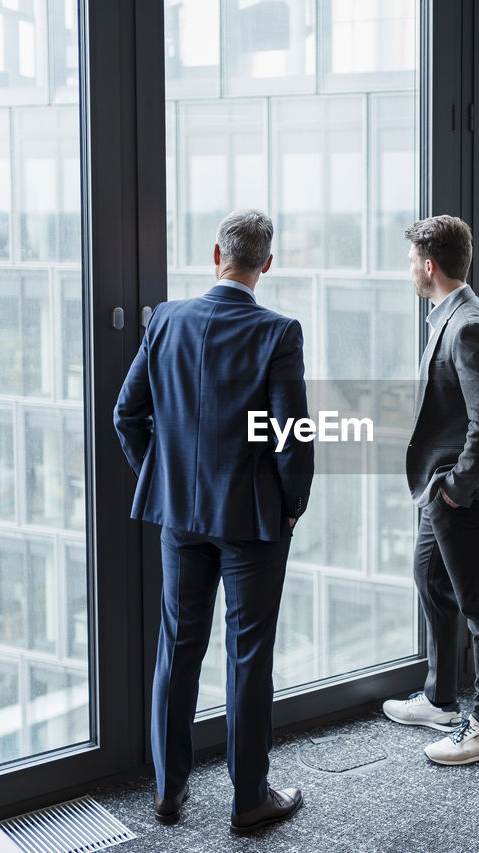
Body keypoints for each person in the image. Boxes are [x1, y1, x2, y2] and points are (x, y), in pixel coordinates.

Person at [114, 209, 313, 833]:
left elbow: (128, 415)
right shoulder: (278, 332)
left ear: (215, 254)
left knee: (176, 648)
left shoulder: (166, 319)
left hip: (181, 518)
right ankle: (249, 799)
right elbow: (292, 437)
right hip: (252, 522)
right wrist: (291, 506)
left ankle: (169, 791)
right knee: (248, 655)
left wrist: (167, 481)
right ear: (267, 265)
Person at [382, 214, 479, 765]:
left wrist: (456, 489)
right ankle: (441, 698)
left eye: (412, 260)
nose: (409, 269)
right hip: (438, 492)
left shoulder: (469, 326)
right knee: (429, 578)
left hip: (457, 494)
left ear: (429, 265)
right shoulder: (463, 312)